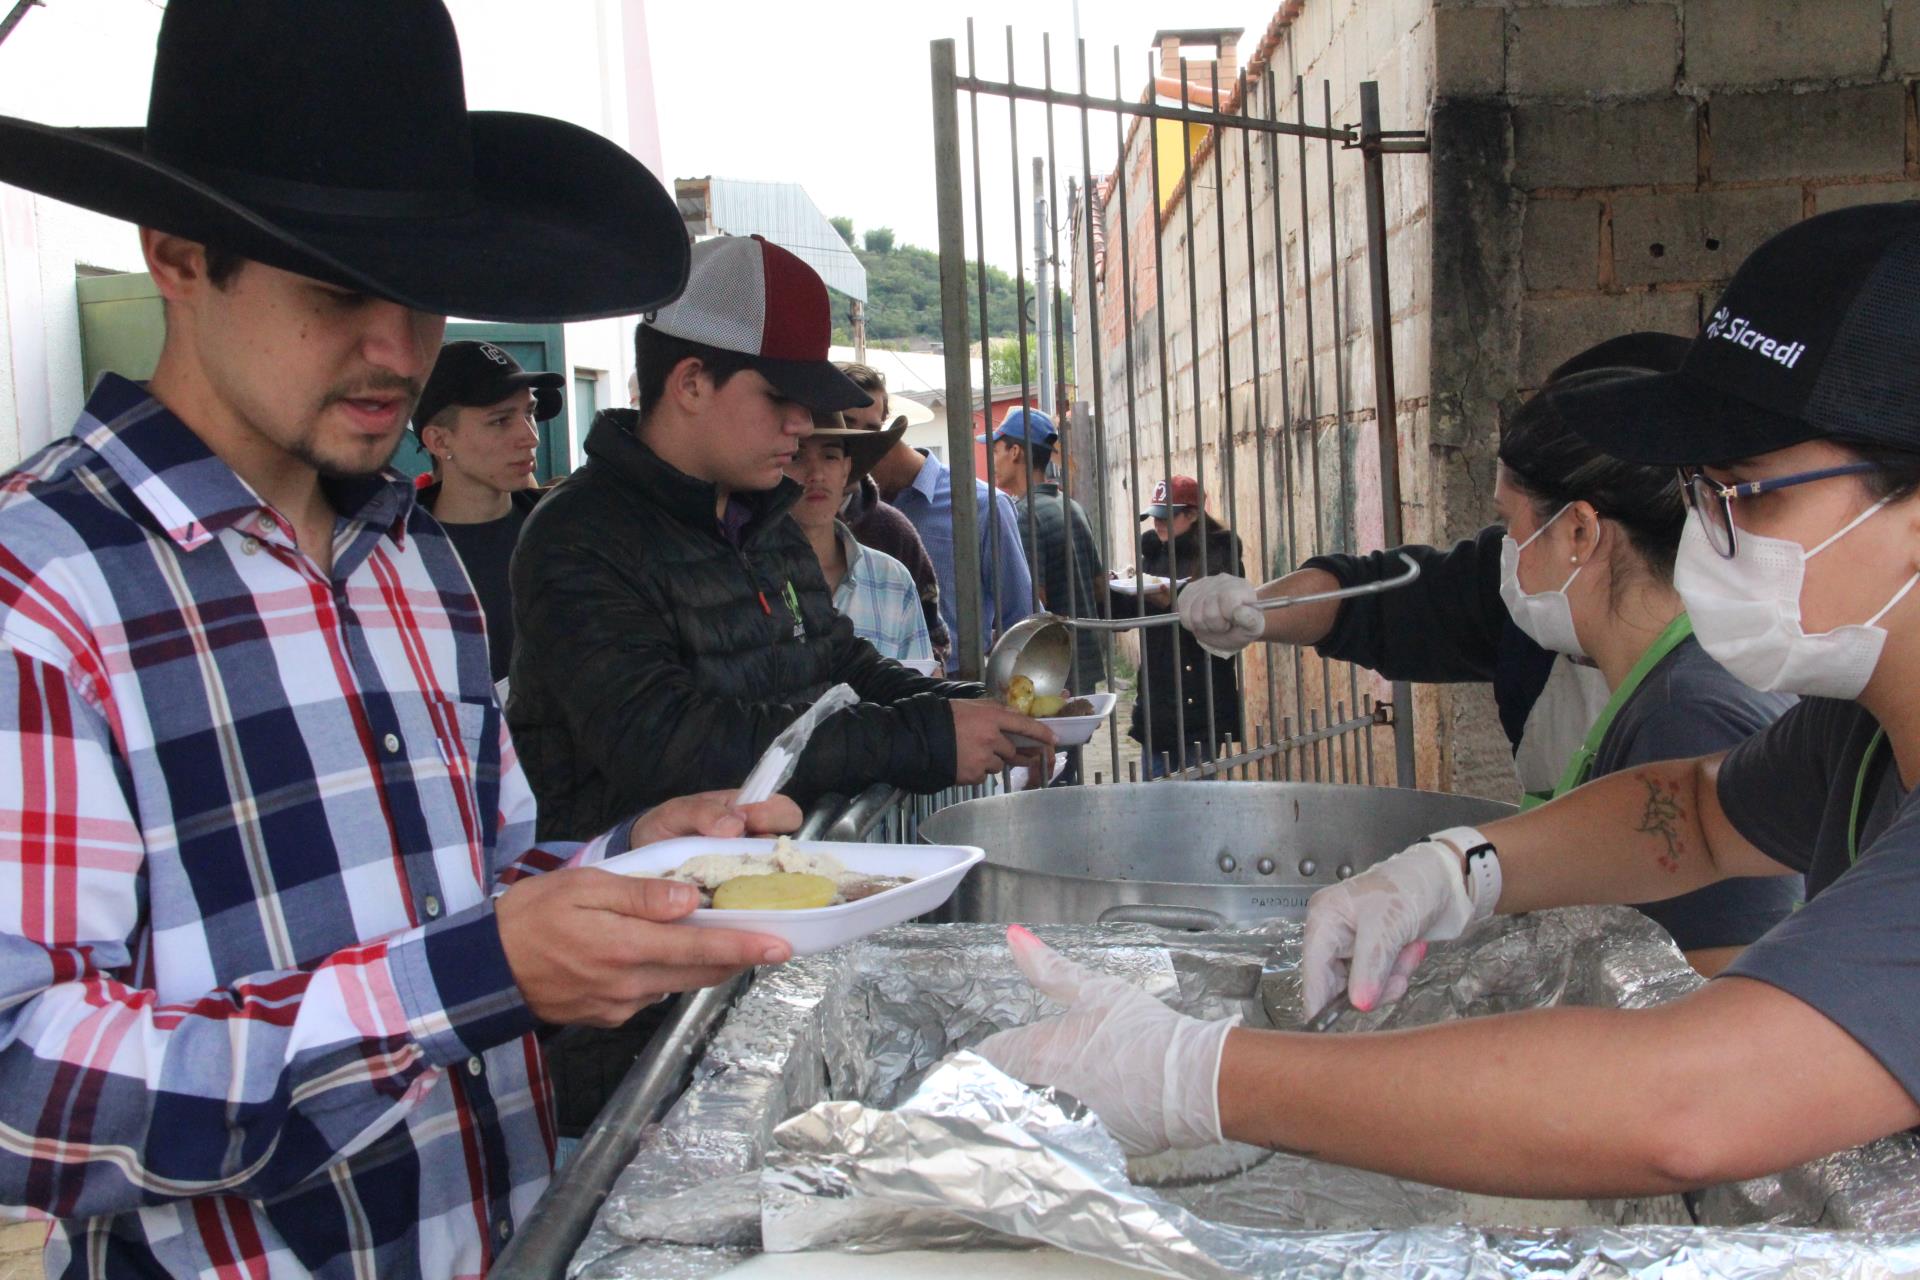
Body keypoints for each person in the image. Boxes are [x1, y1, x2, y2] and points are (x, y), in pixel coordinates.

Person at [0, 4, 799, 1277]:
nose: (396, 350)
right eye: (334, 287)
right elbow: (23, 1085)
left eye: (422, 289)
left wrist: (635, 860)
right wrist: (465, 980)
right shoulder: (41, 587)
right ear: (178, 256)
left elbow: (470, 886)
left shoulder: (411, 558)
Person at [980, 203, 1920, 1201]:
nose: (1704, 535)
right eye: (1696, 491)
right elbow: (1694, 812)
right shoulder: (1863, 729)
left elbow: (1685, 1102)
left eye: (1745, 495)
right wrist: (1456, 868)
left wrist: (1197, 1075)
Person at [1180, 364, 1800, 973]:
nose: (1501, 550)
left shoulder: (1690, 719)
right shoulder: (1645, 670)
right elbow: (1389, 599)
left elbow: (1716, 997)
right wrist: (1259, 609)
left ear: (1580, 531)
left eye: (1509, 523)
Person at [507, 233, 1052, 839]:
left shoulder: (765, 521)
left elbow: (840, 663)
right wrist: (926, 739)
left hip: (770, 870)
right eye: (780, 397)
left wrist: (975, 709)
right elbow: (666, 741)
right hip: (631, 884)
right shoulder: (581, 535)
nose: (802, 424)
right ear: (691, 383)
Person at [413, 339, 563, 684]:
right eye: (500, 421)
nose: (531, 437)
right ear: (440, 441)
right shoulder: (395, 550)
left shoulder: (564, 529)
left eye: (529, 413)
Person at [866, 408, 1034, 676]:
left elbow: (1021, 616)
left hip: (957, 683)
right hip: (870, 686)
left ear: (882, 440)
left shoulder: (982, 505)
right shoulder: (852, 507)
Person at [789, 411, 933, 663]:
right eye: (796, 456)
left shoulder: (893, 580)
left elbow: (917, 680)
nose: (816, 474)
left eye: (830, 456)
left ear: (846, 470)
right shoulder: (749, 578)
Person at [982, 407, 1109, 693]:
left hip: (1048, 668)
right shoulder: (1071, 506)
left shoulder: (1024, 515)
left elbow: (1032, 604)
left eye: (996, 451)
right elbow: (1099, 587)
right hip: (1082, 660)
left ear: (1015, 452)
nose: (993, 460)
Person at [836, 362, 952, 665]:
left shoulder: (894, 531)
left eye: (871, 429)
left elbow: (934, 643)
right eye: (847, 422)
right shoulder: (769, 526)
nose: (858, 440)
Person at [1129, 477, 1245, 776]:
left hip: (1200, 694)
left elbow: (1224, 616)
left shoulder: (1220, 555)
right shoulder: (1153, 555)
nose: (1158, 523)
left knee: (1197, 792)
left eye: (1167, 516)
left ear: (1193, 514)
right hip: (1158, 693)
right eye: (1155, 516)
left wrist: (1175, 601)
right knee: (1156, 793)